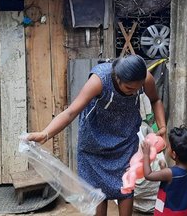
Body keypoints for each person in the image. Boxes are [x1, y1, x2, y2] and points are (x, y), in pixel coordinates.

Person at [25, 55, 167, 216]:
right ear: (117, 78)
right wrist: (45, 133)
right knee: (97, 192)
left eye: (137, 88)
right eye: (129, 88)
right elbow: (71, 112)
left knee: (126, 185)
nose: (134, 92)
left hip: (125, 141)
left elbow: (155, 100)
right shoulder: (100, 80)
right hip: (94, 143)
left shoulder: (145, 79)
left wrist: (162, 127)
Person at [141, 126, 187, 216]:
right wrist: (164, 168)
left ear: (174, 154)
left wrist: (146, 155)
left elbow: (148, 175)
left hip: (168, 211)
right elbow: (174, 183)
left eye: (168, 146)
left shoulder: (170, 173)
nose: (167, 147)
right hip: (183, 209)